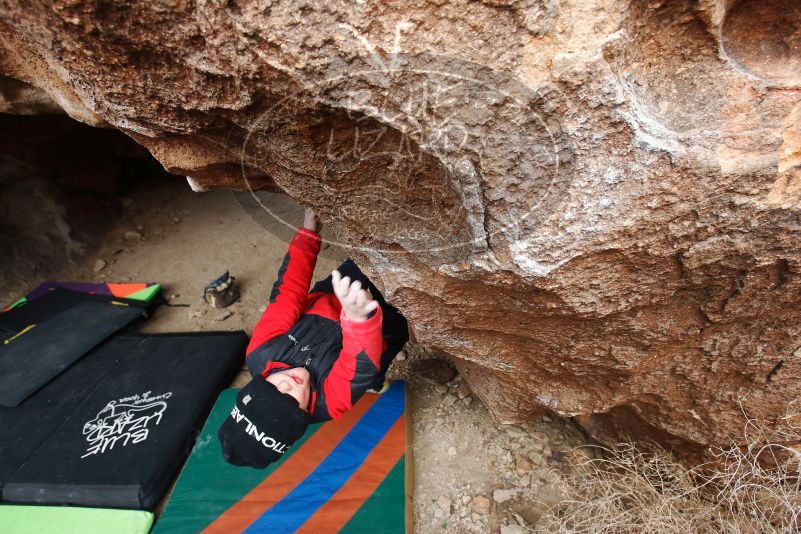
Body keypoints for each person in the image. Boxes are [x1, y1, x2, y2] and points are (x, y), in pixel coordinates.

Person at [218, 208, 409, 468]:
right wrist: (357, 319)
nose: (286, 387)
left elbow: (288, 293)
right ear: (302, 417)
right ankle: (375, 381)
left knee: (375, 249)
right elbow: (360, 364)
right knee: (370, 370)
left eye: (270, 390)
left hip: (334, 293)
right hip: (383, 325)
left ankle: (374, 380)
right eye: (289, 402)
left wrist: (308, 234)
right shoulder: (331, 403)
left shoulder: (261, 351)